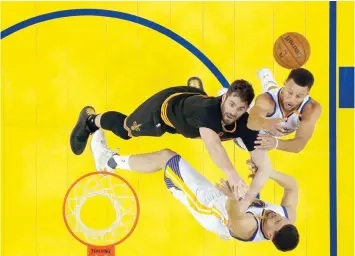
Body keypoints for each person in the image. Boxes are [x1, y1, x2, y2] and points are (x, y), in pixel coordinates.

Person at [90, 130, 299, 251]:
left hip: (208, 207)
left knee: (166, 158)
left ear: (270, 234)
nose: (276, 215)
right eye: (283, 217)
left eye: (276, 221)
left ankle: (108, 162)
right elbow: (292, 185)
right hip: (224, 201)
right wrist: (266, 174)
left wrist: (231, 196)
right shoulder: (286, 218)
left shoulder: (248, 228)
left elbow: (234, 211)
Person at [70, 79, 272, 198]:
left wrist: (257, 164)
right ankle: (90, 120)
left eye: (240, 108)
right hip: (164, 112)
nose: (233, 112)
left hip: (190, 110)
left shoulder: (244, 120)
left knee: (198, 110)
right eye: (231, 104)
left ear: (247, 108)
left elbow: (259, 151)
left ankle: (194, 87)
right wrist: (233, 175)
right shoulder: (209, 112)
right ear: (225, 98)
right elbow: (214, 147)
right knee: (125, 130)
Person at [217, 68, 322, 153]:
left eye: (299, 96)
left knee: (274, 92)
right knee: (234, 118)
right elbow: (251, 122)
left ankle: (266, 77)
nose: (292, 99)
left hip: (273, 112)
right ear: (284, 84)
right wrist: (265, 123)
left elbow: (300, 144)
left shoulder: (311, 109)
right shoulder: (266, 101)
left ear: (307, 94)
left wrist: (276, 143)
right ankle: (224, 96)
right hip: (250, 117)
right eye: (290, 92)